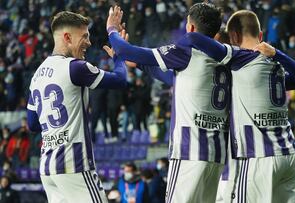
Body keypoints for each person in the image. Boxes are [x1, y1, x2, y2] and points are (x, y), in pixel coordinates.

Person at [106, 3, 235, 202]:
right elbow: (170, 76)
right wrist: (139, 62)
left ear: (191, 28)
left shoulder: (188, 50)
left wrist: (112, 30)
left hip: (188, 150)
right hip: (216, 153)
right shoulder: (226, 59)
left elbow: (126, 49)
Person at [186, 10, 295, 202]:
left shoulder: (238, 59)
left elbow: (194, 38)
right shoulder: (273, 65)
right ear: (261, 36)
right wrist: (277, 53)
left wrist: (214, 38)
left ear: (233, 36)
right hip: (289, 156)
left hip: (258, 157)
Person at [26, 10, 128, 203]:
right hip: (74, 165)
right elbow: (121, 80)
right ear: (67, 37)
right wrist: (118, 57)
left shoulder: (37, 75)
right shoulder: (75, 67)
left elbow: (33, 124)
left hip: (48, 169)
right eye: (85, 36)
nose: (89, 43)